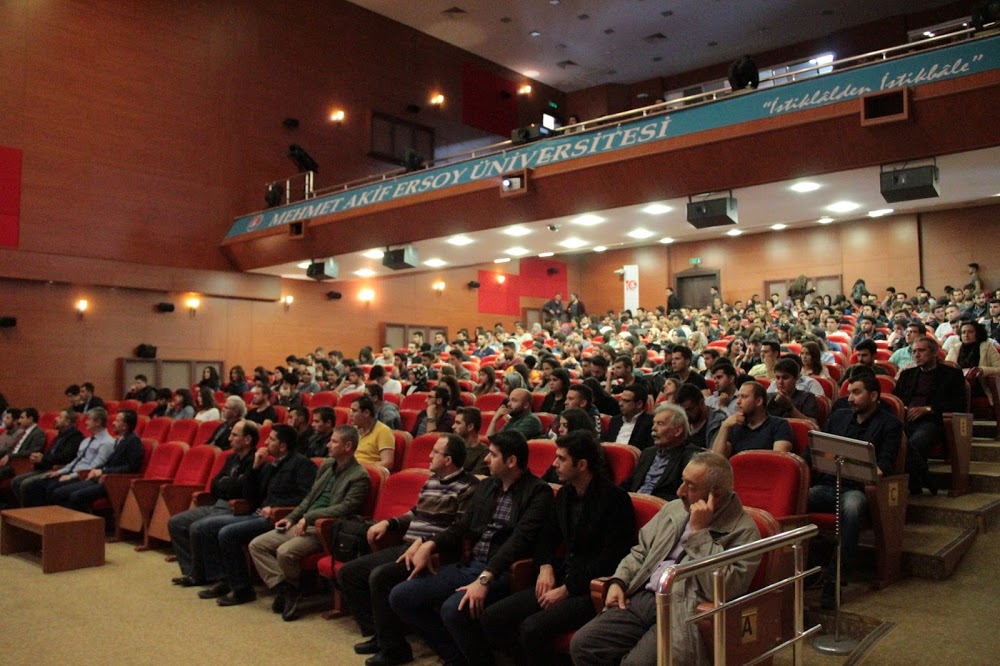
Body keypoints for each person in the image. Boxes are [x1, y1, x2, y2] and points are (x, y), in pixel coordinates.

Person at [570, 451, 761, 666]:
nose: (680, 492)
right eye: (682, 481)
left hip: (681, 609)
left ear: (714, 494)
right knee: (583, 645)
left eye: (691, 486)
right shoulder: (674, 510)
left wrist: (699, 535)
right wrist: (619, 580)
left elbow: (725, 588)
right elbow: (641, 551)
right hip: (642, 597)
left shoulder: (744, 531)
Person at [386, 431, 554, 666]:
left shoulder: (538, 491)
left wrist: (485, 578)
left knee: (453, 609)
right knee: (401, 596)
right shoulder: (488, 487)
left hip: (503, 572)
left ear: (511, 461)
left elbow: (519, 541)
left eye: (493, 455)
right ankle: (456, 656)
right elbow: (461, 526)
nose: (485, 459)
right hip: (469, 564)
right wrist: (430, 543)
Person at [480, 430, 636, 666]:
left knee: (532, 628)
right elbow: (546, 538)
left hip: (590, 588)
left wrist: (566, 589)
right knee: (493, 617)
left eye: (561, 459)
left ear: (581, 464)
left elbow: (611, 558)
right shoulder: (565, 494)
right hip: (562, 575)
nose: (554, 464)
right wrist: (545, 567)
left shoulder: (615, 499)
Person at [339, 434, 480, 660]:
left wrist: (427, 546)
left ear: (448, 460)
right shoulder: (432, 480)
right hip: (406, 546)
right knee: (350, 573)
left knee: (380, 576)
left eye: (435, 452)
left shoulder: (469, 487)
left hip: (434, 554)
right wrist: (389, 522)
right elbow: (416, 512)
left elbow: (460, 529)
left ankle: (395, 649)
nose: (430, 455)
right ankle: (381, 634)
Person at [248, 423, 369, 621]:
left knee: (284, 552)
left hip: (325, 529)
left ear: (348, 447)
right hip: (304, 522)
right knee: (257, 545)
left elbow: (346, 508)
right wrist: (291, 518)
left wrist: (309, 518)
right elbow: (309, 497)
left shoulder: (359, 476)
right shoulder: (328, 465)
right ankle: (289, 590)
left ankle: (290, 592)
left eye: (334, 441)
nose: (328, 445)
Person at [807, 374, 901, 609]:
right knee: (798, 499)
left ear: (874, 396)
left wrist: (868, 473)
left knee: (850, 508)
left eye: (856, 393)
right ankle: (806, 566)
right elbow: (817, 450)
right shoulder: (838, 417)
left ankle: (835, 579)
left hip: (858, 488)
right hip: (828, 484)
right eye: (849, 392)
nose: (850, 398)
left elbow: (885, 466)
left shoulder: (890, 424)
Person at [207, 424, 316, 607]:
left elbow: (306, 497)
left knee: (228, 533)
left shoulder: (302, 464)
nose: (266, 442)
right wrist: (256, 468)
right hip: (258, 513)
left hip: (279, 518)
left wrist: (275, 507)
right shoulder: (271, 464)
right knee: (212, 527)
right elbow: (250, 495)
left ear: (282, 446)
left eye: (272, 439)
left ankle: (242, 589)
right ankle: (227, 580)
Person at [168, 419, 256, 587]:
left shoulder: (254, 461)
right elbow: (215, 484)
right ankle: (193, 572)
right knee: (176, 523)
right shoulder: (231, 458)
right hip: (217, 503)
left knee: (198, 527)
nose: (229, 438)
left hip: (234, 508)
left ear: (247, 439)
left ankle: (217, 577)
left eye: (234, 435)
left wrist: (227, 484)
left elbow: (242, 490)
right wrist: (229, 484)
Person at [894, 336, 968, 495]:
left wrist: (928, 409)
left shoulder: (952, 374)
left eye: (921, 350)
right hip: (905, 419)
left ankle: (914, 486)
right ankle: (924, 480)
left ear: (935, 353)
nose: (916, 355)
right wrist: (904, 408)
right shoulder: (907, 374)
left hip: (933, 421)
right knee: (891, 439)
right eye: (914, 351)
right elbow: (895, 399)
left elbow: (959, 404)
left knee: (914, 443)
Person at [46, 410, 144, 510]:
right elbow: (109, 463)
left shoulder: (133, 441)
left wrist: (103, 471)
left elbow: (131, 467)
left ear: (125, 426)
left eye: (117, 421)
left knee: (75, 496)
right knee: (59, 491)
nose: (113, 423)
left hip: (113, 482)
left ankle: (81, 524)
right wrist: (98, 470)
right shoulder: (121, 439)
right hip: (102, 478)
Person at [21, 408, 116, 507]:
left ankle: (54, 519)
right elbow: (76, 460)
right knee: (36, 485)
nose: (86, 422)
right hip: (72, 471)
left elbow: (95, 466)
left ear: (98, 422)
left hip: (83, 476)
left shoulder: (107, 443)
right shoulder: (87, 440)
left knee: (53, 489)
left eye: (89, 419)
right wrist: (59, 472)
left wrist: (70, 476)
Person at [622, 403, 701, 501]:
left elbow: (684, 497)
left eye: (660, 424)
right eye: (654, 423)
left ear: (677, 431)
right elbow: (630, 483)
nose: (653, 428)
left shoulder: (691, 457)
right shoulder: (648, 453)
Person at [10, 409, 83, 504]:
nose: (56, 419)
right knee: (16, 481)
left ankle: (32, 513)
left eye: (60, 417)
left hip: (57, 469)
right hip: (46, 465)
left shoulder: (76, 437)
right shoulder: (60, 435)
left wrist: (43, 458)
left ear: (67, 421)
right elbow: (50, 454)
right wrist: (39, 457)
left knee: (26, 484)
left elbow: (65, 457)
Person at [712, 381, 793, 457]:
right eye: (738, 397)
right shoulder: (734, 425)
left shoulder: (779, 425)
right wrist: (724, 426)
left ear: (759, 401)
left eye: (744, 397)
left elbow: (779, 460)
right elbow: (717, 460)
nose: (738, 402)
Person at [947, 321, 1000, 400]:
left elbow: (998, 368)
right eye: (963, 332)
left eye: (970, 332)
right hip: (957, 386)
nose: (966, 335)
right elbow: (946, 369)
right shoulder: (955, 348)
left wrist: (982, 370)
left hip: (981, 386)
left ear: (978, 333)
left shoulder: (987, 347)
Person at [765, 358, 820, 425]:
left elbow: (813, 425)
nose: (780, 382)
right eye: (777, 378)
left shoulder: (807, 397)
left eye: (785, 378)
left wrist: (790, 408)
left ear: (796, 378)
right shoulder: (769, 397)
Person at [676, 383, 727, 449]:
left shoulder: (718, 422)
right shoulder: (681, 423)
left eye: (689, 409)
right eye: (682, 411)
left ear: (701, 403)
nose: (685, 414)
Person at [0, 407, 45, 482]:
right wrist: (7, 454)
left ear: (30, 419)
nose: (19, 421)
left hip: (20, 463)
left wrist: (11, 456)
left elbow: (33, 451)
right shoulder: (24, 431)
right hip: (12, 460)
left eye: (22, 418)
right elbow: (13, 448)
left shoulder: (38, 433)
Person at [351, 395, 396, 469]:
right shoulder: (354, 430)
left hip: (367, 473)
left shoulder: (383, 431)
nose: (350, 414)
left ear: (366, 413)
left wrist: (360, 469)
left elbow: (388, 462)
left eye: (354, 411)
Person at [605, 383, 653, 449]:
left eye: (626, 401)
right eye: (620, 400)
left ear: (639, 404)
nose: (620, 404)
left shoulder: (650, 423)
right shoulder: (615, 420)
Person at [452, 407, 491, 475]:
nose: (453, 426)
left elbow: (475, 480)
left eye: (458, 423)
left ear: (470, 427)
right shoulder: (452, 447)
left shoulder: (484, 452)